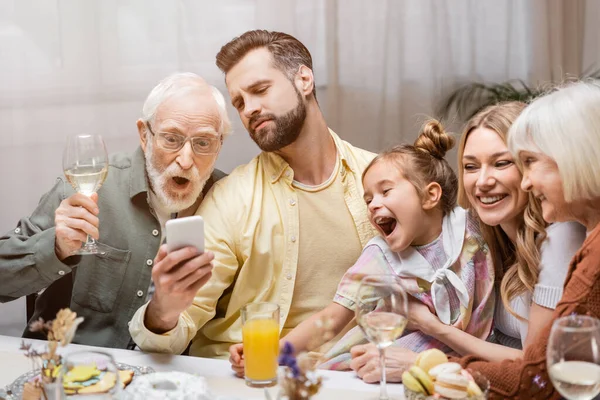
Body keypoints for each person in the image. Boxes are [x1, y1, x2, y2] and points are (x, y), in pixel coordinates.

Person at [129, 30, 377, 358]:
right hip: (246, 379)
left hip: (350, 380)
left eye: (260, 90)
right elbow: (183, 321)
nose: (250, 109)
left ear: (304, 79)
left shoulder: (378, 178)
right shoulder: (230, 198)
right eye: (240, 102)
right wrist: (163, 310)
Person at [229, 119, 496, 375]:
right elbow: (332, 319)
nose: (373, 204)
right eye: (368, 199)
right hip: (378, 366)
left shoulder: (471, 232)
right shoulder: (380, 257)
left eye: (385, 191)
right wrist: (270, 352)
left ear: (430, 195)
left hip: (465, 364)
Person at [349, 102, 585, 384]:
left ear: (530, 167)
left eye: (501, 163)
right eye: (471, 166)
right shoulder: (481, 240)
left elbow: (538, 369)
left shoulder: (561, 236)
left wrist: (427, 357)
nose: (482, 181)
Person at [0, 72, 230, 349]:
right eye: (171, 138)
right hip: (73, 372)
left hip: (167, 380)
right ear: (145, 135)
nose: (185, 159)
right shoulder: (87, 188)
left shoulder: (229, 202)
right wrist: (57, 248)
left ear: (219, 147)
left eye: (203, 142)